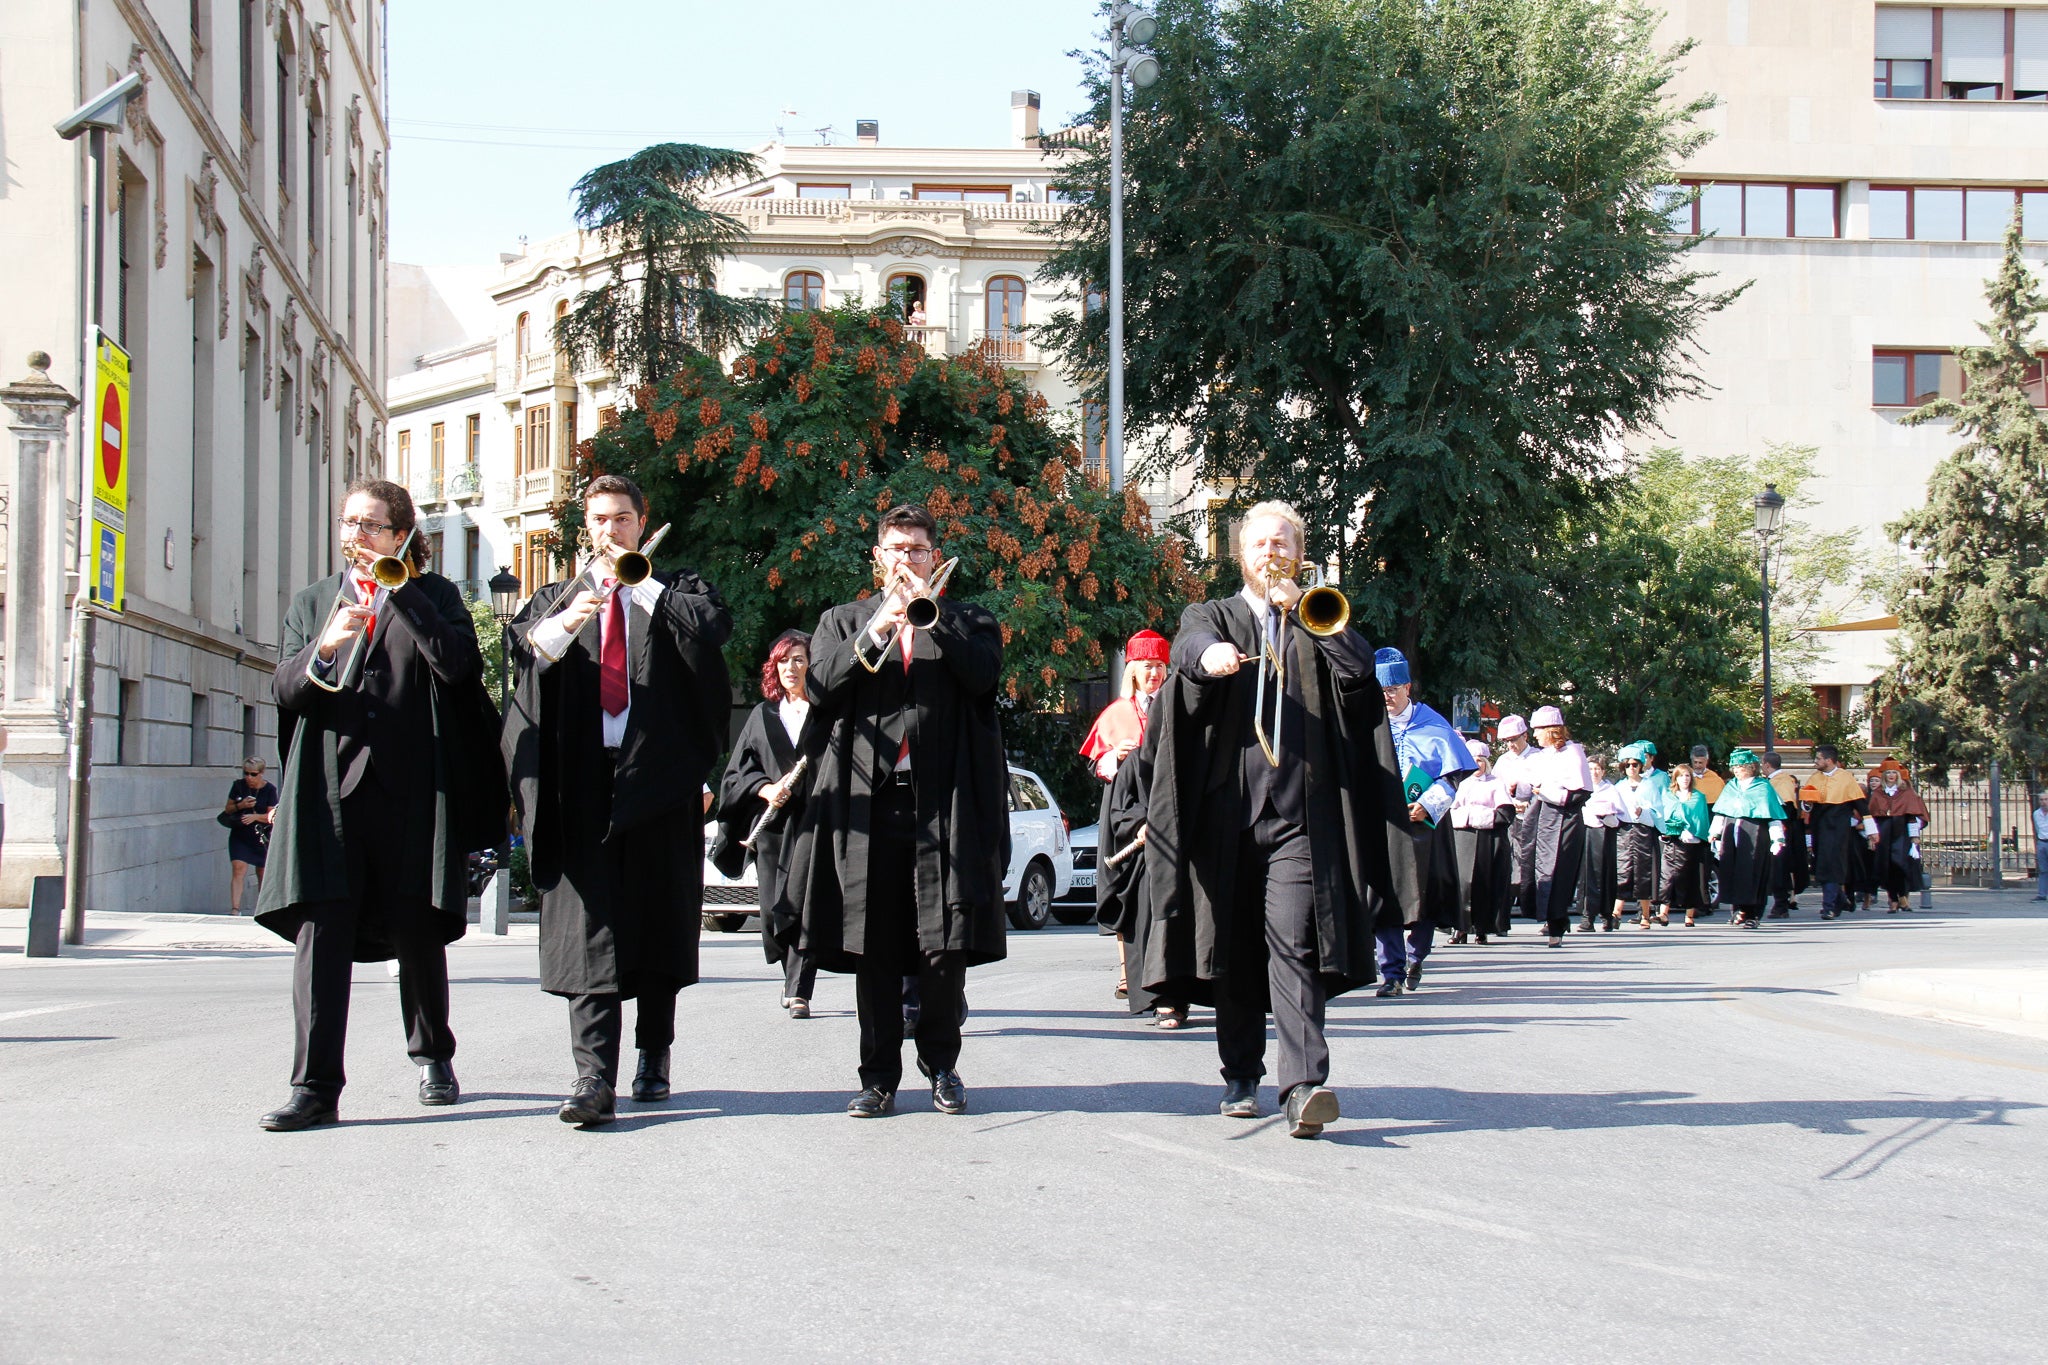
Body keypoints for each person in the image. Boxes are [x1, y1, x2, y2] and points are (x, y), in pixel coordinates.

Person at [1136, 501, 1410, 1138]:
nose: (1270, 553)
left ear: (1299, 549)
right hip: (1226, 818)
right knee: (1231, 949)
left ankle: (1305, 1085)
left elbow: (1360, 673)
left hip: (1297, 822)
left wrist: (1309, 614)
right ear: (1240, 555)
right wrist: (1209, 660)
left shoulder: (1318, 615)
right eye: (1259, 544)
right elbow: (1188, 647)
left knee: (1295, 945)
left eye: (1282, 542)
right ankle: (1240, 1073)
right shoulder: (1214, 616)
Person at [255, 479, 507, 1131]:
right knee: (321, 936)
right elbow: (285, 688)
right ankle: (314, 1086)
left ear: (400, 534)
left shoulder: (436, 596)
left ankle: (433, 1057)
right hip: (329, 801)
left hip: (412, 798)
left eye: (370, 525)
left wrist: (402, 592)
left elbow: (458, 667)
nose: (355, 535)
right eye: (348, 523)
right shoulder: (314, 602)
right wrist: (329, 642)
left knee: (417, 931)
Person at [504, 476, 733, 1126]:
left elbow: (713, 628)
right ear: (587, 525)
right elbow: (526, 652)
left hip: (657, 781)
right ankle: (592, 1078)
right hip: (582, 784)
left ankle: (654, 1054)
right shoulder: (557, 596)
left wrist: (641, 584)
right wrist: (575, 609)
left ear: (641, 522)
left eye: (623, 518)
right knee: (588, 931)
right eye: (600, 519)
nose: (611, 529)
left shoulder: (677, 589)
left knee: (660, 921)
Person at [778, 504, 1008, 1119]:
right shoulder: (842, 621)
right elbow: (822, 685)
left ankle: (942, 1064)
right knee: (873, 948)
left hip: (943, 809)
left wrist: (929, 620)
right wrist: (881, 626)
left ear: (936, 557)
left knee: (942, 947)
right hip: (869, 809)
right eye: (897, 549)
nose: (908, 559)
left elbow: (985, 679)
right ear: (878, 559)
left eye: (918, 549)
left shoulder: (968, 618)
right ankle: (878, 1076)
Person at [717, 630, 818, 1019]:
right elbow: (738, 772)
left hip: (815, 822)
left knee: (805, 906)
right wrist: (764, 789)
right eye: (783, 660)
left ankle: (799, 989)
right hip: (773, 828)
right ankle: (787, 972)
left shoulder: (827, 713)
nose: (790, 668)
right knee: (775, 909)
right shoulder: (762, 715)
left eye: (798, 659)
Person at [1082, 630, 1182, 1024]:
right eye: (1146, 667)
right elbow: (1095, 763)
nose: (1154, 673)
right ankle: (1135, 977)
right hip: (1126, 815)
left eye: (1159, 666)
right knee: (1131, 897)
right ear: (1133, 671)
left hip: (1170, 810)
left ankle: (1170, 990)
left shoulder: (1176, 706)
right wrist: (1114, 756)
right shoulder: (1118, 713)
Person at [1373, 647, 1473, 993]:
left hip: (1424, 823)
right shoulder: (1369, 724)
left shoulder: (1433, 725)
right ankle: (1392, 972)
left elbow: (1453, 775)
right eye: (1380, 691)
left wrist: (1428, 805)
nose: (1386, 697)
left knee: (1423, 894)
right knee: (1384, 893)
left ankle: (1416, 956)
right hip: (1384, 821)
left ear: (1407, 688)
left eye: (1392, 690)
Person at [1526, 705, 1593, 947]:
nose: (1535, 736)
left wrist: (1546, 791)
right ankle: (1549, 917)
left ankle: (1557, 921)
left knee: (1559, 871)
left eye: (1538, 730)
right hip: (1542, 816)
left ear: (1551, 730)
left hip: (1565, 819)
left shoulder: (1573, 753)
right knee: (1538, 868)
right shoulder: (1541, 756)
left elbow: (1580, 792)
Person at [1710, 749, 1788, 929]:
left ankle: (1753, 913)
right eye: (1735, 767)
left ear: (1751, 767)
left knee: (1753, 872)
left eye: (1741, 767)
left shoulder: (1763, 787)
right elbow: (1721, 811)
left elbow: (1773, 815)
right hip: (1732, 835)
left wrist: (1777, 839)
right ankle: (1737, 911)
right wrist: (1715, 831)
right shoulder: (1731, 786)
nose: (1737, 770)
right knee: (1733, 871)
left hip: (1755, 834)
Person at [1449, 739, 1515, 944]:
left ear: (1486, 762)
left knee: (1485, 883)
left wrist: (1478, 815)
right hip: (1464, 838)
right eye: (1473, 760)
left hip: (1489, 839)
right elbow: (1451, 811)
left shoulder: (1496, 783)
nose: (1477, 765)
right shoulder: (1462, 784)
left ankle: (1481, 929)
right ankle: (1460, 928)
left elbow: (1505, 813)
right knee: (1463, 884)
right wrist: (1470, 816)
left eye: (1480, 760)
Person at [1800, 745, 1875, 921]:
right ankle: (1841, 900)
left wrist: (1872, 831)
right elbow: (1807, 806)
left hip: (1838, 831)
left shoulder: (1845, 778)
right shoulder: (1814, 778)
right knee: (1821, 866)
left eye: (1818, 759)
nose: (1815, 762)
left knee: (1832, 866)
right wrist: (1807, 803)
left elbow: (1861, 807)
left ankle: (1829, 907)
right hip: (1820, 829)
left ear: (1829, 760)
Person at [1490, 715, 1538, 929]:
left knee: (1534, 864)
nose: (1511, 745)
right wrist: (1509, 802)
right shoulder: (1503, 761)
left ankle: (1537, 909)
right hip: (1510, 819)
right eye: (1507, 741)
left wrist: (1528, 799)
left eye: (1515, 739)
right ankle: (1503, 916)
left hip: (1533, 818)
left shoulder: (1538, 757)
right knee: (1508, 865)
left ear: (1525, 736)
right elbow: (1496, 788)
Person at [1866, 761, 1929, 914]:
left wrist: (1914, 836)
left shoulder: (1906, 793)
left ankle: (1902, 895)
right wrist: (1871, 836)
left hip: (1901, 832)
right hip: (1884, 831)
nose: (1891, 776)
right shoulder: (1878, 794)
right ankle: (1893, 899)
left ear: (1898, 775)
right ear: (1884, 776)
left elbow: (1912, 816)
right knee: (1886, 867)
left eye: (1894, 773)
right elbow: (1871, 816)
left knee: (1899, 864)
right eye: (1888, 773)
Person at [1575, 753, 1629, 933]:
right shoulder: (1580, 788)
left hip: (1604, 836)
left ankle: (1607, 916)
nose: (1594, 772)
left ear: (1603, 771)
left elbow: (1621, 816)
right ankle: (1587, 917)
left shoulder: (1610, 790)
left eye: (1597, 769)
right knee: (1586, 876)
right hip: (1585, 834)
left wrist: (1607, 816)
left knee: (1605, 875)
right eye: (1590, 769)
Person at [1613, 742, 1664, 928]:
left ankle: (1645, 914)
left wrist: (1643, 812)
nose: (1631, 768)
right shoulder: (1619, 786)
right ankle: (1616, 912)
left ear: (1641, 765)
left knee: (1643, 872)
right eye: (1627, 765)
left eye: (1635, 764)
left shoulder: (1649, 785)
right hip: (1624, 832)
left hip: (1643, 831)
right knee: (1623, 870)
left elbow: (1658, 811)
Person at [1655, 764, 1713, 927]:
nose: (1685, 779)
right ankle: (1663, 913)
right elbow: (1664, 815)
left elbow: (1701, 820)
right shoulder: (1668, 796)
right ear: (1675, 779)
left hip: (1691, 845)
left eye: (1687, 776)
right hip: (1672, 843)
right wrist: (1666, 829)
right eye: (1681, 776)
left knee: (1690, 879)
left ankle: (1689, 915)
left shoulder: (1698, 797)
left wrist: (1693, 832)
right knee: (1667, 878)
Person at [221, 757, 280, 915]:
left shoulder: (269, 790)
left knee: (261, 871)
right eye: (246, 773)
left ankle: (262, 908)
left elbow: (271, 815)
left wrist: (255, 817)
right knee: (238, 868)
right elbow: (228, 809)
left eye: (253, 774)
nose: (249, 777)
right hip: (241, 834)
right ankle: (235, 909)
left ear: (261, 773)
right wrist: (241, 805)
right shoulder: (238, 786)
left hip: (261, 835)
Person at [1763, 751, 1808, 917]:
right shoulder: (1773, 781)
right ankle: (1781, 903)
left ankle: (1781, 904)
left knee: (1779, 868)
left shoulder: (1782, 781)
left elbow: (1786, 807)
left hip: (1782, 830)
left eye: (1763, 764)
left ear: (1767, 765)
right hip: (1775, 828)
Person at [2032, 792, 2048, 903]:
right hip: (2042, 842)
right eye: (2041, 800)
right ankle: (2042, 894)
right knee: (2043, 870)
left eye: (2046, 799)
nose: (2043, 802)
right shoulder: (2036, 814)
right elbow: (2037, 829)